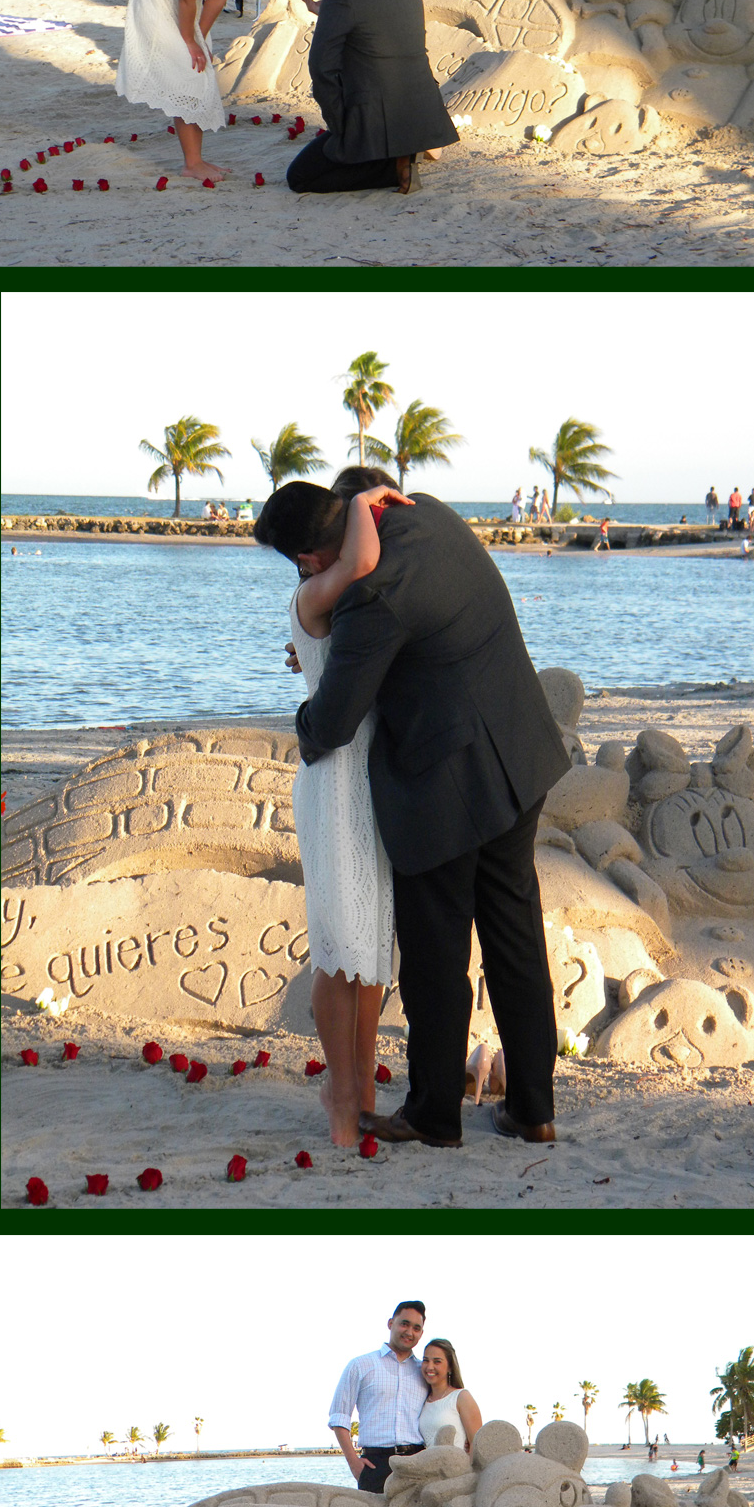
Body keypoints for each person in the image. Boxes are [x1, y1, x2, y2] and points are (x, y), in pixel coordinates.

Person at [256, 468, 566, 1148]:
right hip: (519, 750)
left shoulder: (372, 596)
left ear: (310, 558)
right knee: (515, 936)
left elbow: (334, 722)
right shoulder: (431, 515)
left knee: (435, 953)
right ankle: (533, 1109)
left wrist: (304, 717)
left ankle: (433, 1113)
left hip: (446, 785)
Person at [284, 483, 408, 1144]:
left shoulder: (339, 599)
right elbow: (360, 559)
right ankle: (340, 1092)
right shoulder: (313, 594)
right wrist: (367, 499)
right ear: (307, 551)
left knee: (369, 951)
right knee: (336, 950)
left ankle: (362, 1084)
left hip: (366, 781)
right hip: (332, 781)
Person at [288, 0, 459, 195]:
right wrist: (325, 12)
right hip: (419, 110)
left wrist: (338, 123)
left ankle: (391, 168)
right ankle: (400, 155)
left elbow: (321, 66)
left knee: (301, 177)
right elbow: (377, 34)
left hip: (375, 114)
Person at [116, 0, 278, 173]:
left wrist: (199, 40)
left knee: (198, 71)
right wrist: (188, 41)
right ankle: (192, 164)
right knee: (187, 73)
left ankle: (195, 160)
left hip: (187, 1)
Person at [328, 1296, 428, 1491]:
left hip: (417, 1463)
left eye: (416, 1328)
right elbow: (339, 1417)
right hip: (375, 1464)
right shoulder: (361, 1365)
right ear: (391, 1323)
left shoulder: (424, 1371)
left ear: (421, 1333)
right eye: (404, 1324)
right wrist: (354, 1463)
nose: (409, 1332)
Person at [419, 1335, 483, 1453]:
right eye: (426, 1360)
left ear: (450, 1367)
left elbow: (477, 1442)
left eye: (437, 1362)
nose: (430, 1367)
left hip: (457, 1469)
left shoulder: (461, 1397)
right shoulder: (423, 1401)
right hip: (428, 1469)